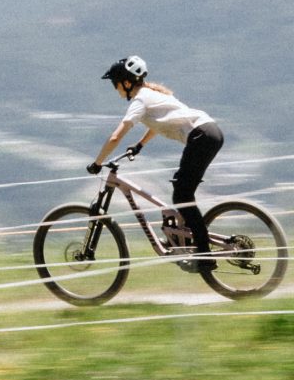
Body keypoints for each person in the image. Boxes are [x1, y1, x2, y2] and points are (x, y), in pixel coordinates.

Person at [89, 55, 225, 257]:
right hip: (209, 132)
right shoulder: (151, 95)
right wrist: (139, 145)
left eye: (115, 84)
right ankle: (187, 239)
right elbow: (159, 124)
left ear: (127, 82)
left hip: (201, 136)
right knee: (181, 189)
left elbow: (116, 136)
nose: (115, 89)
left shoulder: (140, 100)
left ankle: (204, 255)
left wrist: (97, 163)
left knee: (182, 195)